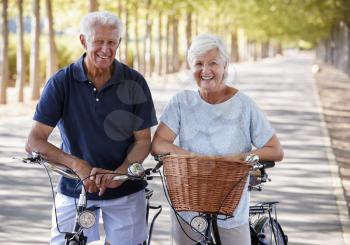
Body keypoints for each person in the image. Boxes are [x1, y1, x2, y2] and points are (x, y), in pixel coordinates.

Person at [25, 11, 157, 245]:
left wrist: (121, 171)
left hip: (125, 189)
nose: (105, 49)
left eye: (111, 42)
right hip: (74, 188)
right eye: (99, 41)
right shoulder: (61, 82)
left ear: (119, 43)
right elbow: (35, 141)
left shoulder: (134, 81)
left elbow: (143, 141)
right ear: (84, 41)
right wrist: (77, 165)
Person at [151, 34, 284, 245]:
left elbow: (275, 150)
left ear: (225, 66)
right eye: (198, 64)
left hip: (231, 206)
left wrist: (239, 158)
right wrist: (195, 158)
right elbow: (158, 145)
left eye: (213, 63)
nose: (205, 70)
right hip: (188, 205)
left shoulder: (244, 105)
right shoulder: (181, 102)